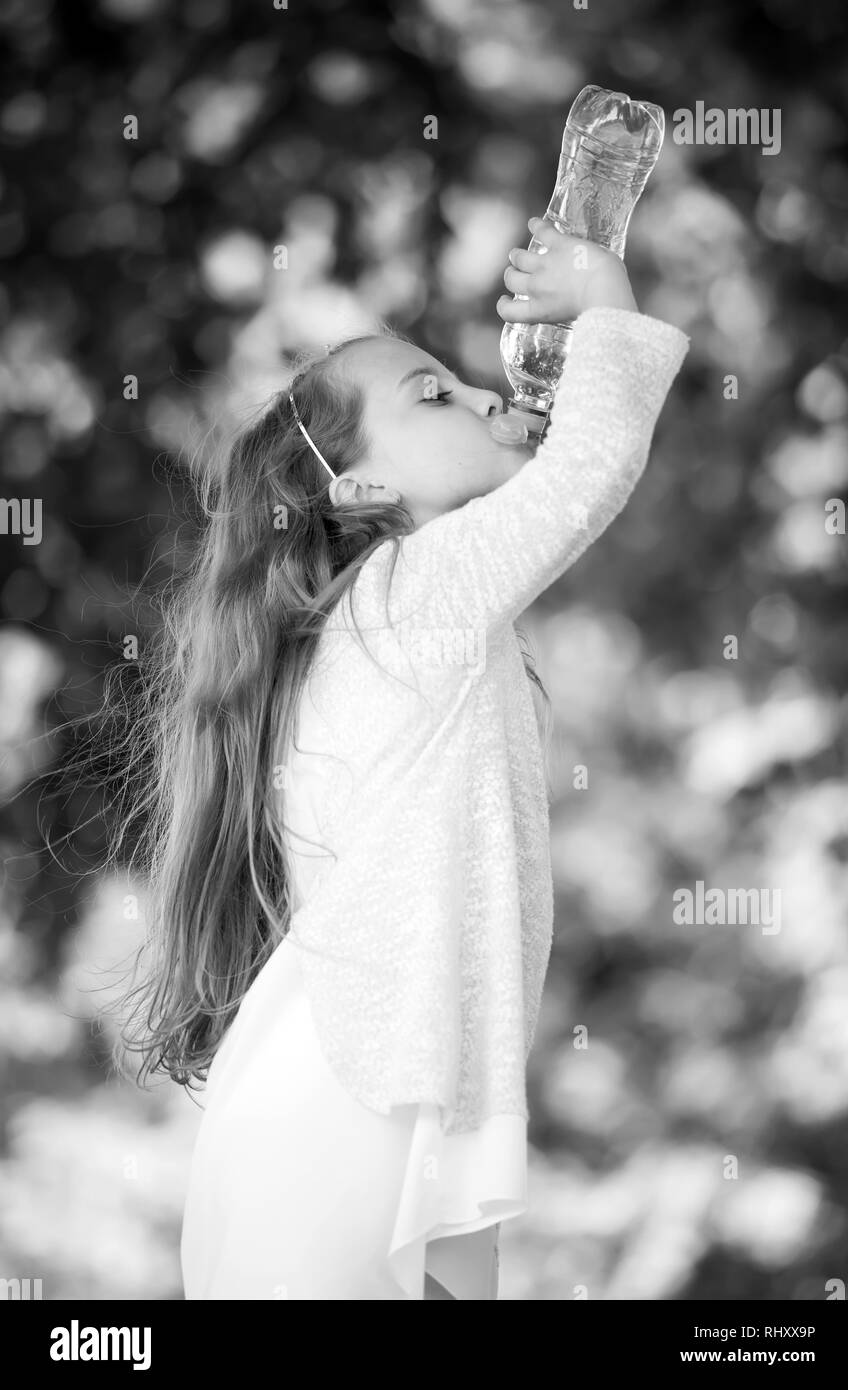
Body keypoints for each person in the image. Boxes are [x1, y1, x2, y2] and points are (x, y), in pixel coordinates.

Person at [120, 217, 689, 1299]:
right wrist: (605, 298)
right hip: (348, 1113)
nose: (482, 396)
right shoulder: (403, 601)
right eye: (431, 396)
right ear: (359, 490)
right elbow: (589, 470)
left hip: (374, 1109)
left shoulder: (396, 630)